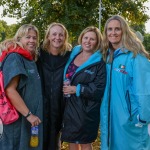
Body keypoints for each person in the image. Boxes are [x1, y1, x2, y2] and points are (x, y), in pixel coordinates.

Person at [100, 15, 150, 150]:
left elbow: (144, 90)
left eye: (117, 29)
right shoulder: (107, 56)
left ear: (124, 31)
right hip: (110, 118)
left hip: (130, 120)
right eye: (109, 29)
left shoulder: (135, 56)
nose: (113, 32)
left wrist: (143, 117)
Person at [61, 26, 106, 150]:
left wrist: (77, 89)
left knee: (85, 143)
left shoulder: (99, 62)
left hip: (86, 110)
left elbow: (99, 89)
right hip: (69, 106)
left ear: (97, 42)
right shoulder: (74, 53)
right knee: (72, 142)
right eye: (86, 37)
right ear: (81, 38)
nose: (88, 41)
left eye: (92, 39)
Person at [0, 24, 43, 150]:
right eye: (27, 37)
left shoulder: (28, 58)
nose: (32, 40)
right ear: (19, 39)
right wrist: (29, 115)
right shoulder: (15, 57)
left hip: (29, 122)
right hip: (19, 121)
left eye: (34, 38)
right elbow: (10, 90)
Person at [36, 22, 71, 150]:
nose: (57, 37)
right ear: (48, 36)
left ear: (65, 37)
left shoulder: (69, 56)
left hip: (59, 107)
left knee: (55, 143)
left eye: (61, 35)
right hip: (40, 106)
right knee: (38, 141)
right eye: (54, 34)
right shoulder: (38, 54)